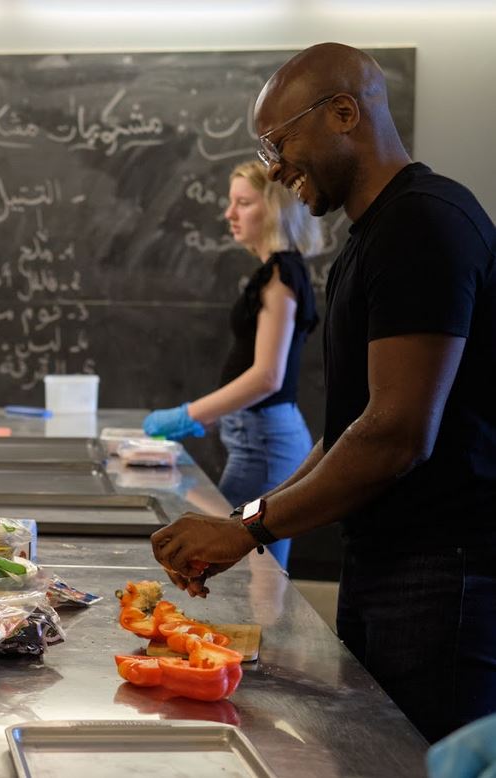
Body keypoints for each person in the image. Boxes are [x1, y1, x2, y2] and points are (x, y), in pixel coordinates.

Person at [151, 42, 496, 743]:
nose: (277, 167)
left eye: (281, 143)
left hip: (442, 575)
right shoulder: (370, 239)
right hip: (388, 563)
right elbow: (348, 431)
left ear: (344, 113)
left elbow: (397, 433)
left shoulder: (422, 223)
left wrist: (248, 529)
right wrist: (245, 523)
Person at [143, 160, 323, 568]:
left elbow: (267, 376)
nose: (230, 214)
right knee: (245, 565)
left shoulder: (281, 273)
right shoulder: (276, 271)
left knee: (252, 569)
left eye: (243, 203)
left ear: (275, 209)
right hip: (255, 438)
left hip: (265, 444)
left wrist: (188, 414)